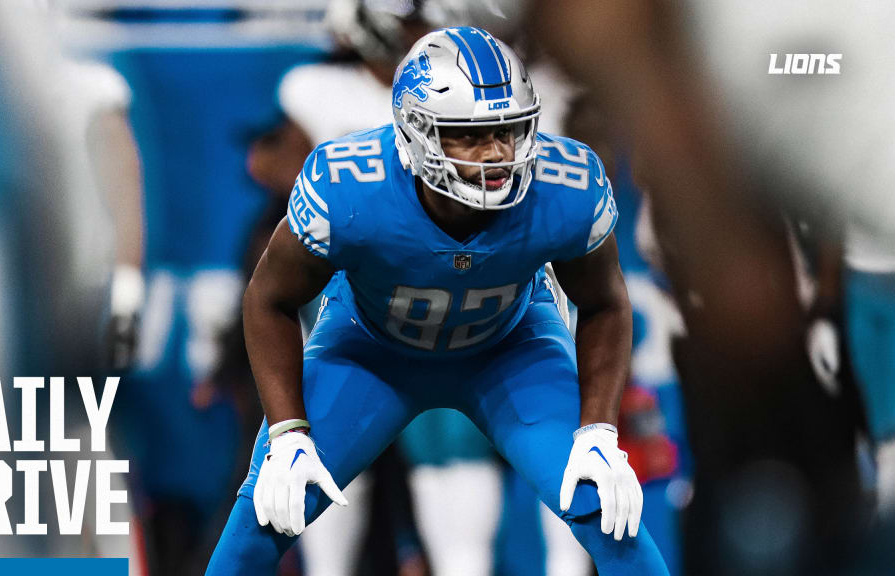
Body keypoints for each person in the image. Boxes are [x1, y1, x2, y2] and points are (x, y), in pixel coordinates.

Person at [206, 26, 668, 576]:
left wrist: (598, 431)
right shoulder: (350, 187)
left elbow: (606, 304)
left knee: (605, 510)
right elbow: (268, 298)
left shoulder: (564, 183)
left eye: (510, 130)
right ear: (416, 135)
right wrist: (287, 433)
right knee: (262, 517)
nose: (497, 154)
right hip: (370, 350)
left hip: (511, 347)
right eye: (469, 136)